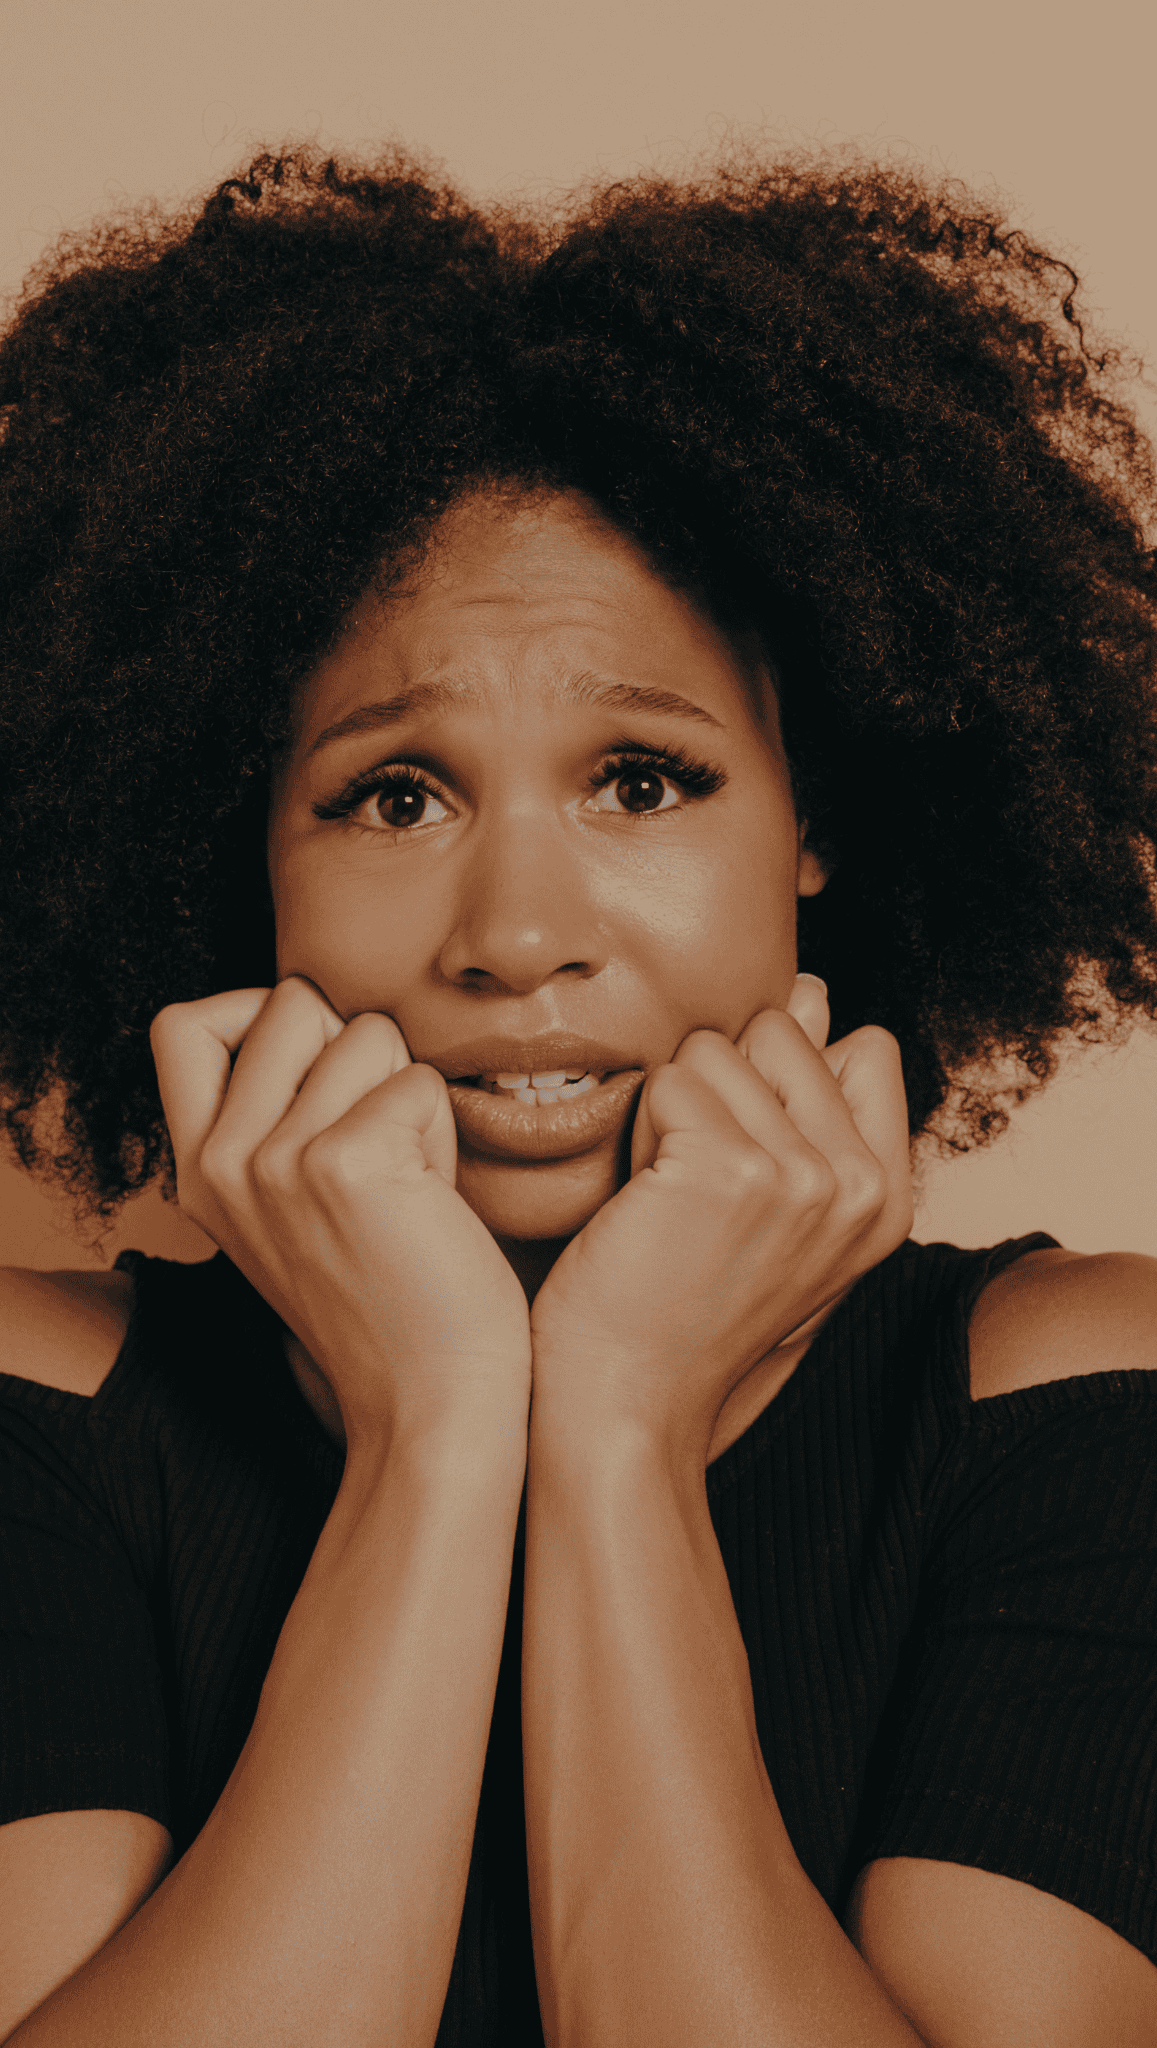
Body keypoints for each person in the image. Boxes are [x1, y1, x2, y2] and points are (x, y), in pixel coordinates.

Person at [0, 140, 1155, 2047]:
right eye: (394, 796)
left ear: (819, 831)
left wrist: (614, 1429)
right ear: (243, 866)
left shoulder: (1073, 1407)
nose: (517, 936)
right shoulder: (44, 1419)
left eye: (644, 779)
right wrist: (445, 1431)